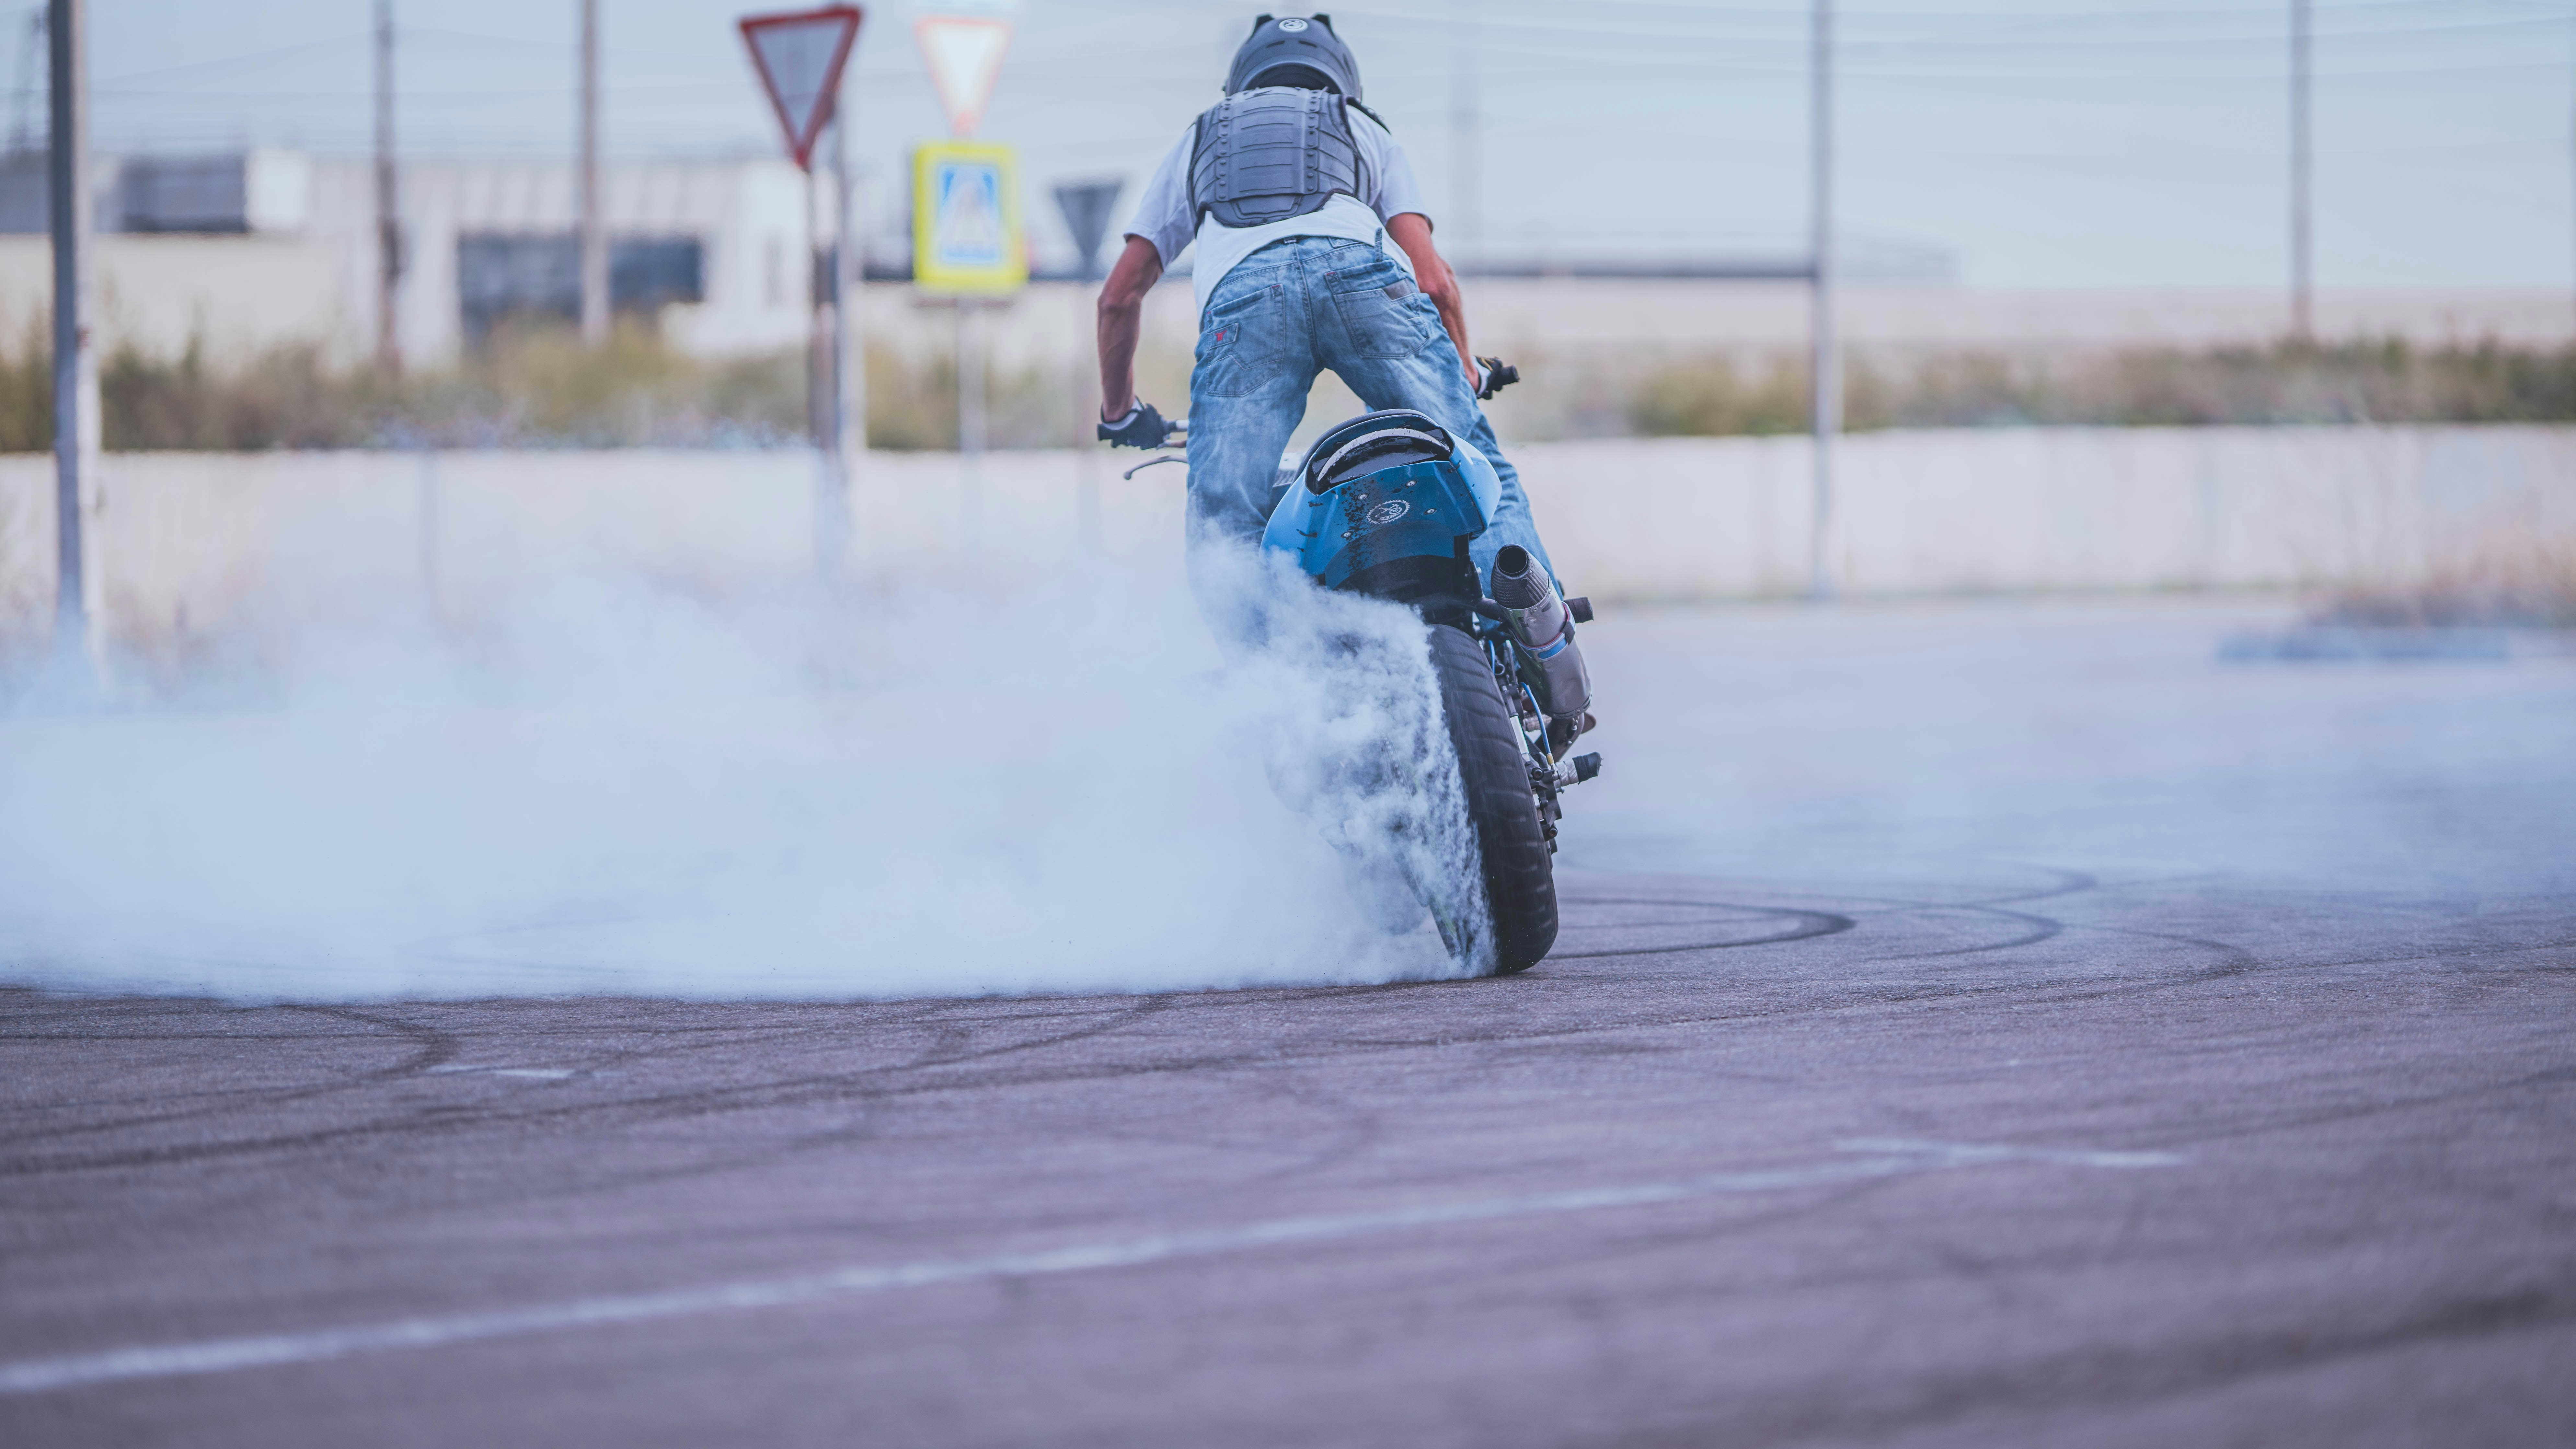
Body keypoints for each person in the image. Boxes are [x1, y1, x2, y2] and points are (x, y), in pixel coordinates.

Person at [1092, 13, 1565, 620]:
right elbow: (1433, 280)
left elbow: (1118, 296)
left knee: (1225, 529)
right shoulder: (1360, 125)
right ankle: (1538, 636)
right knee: (1472, 463)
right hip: (1365, 283)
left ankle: (1276, 694)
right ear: (1343, 79)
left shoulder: (1201, 137)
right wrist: (1466, 373)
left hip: (1245, 310)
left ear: (1240, 83)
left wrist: (1120, 413)